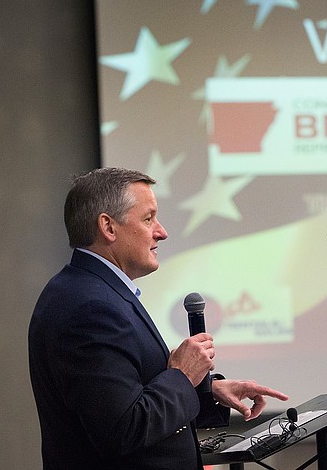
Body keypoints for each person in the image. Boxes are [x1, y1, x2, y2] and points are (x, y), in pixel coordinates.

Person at [28, 167, 288, 470]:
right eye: (148, 218)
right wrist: (182, 377)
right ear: (108, 227)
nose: (161, 231)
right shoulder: (90, 308)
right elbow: (123, 430)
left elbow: (131, 394)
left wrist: (206, 391)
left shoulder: (91, 291)